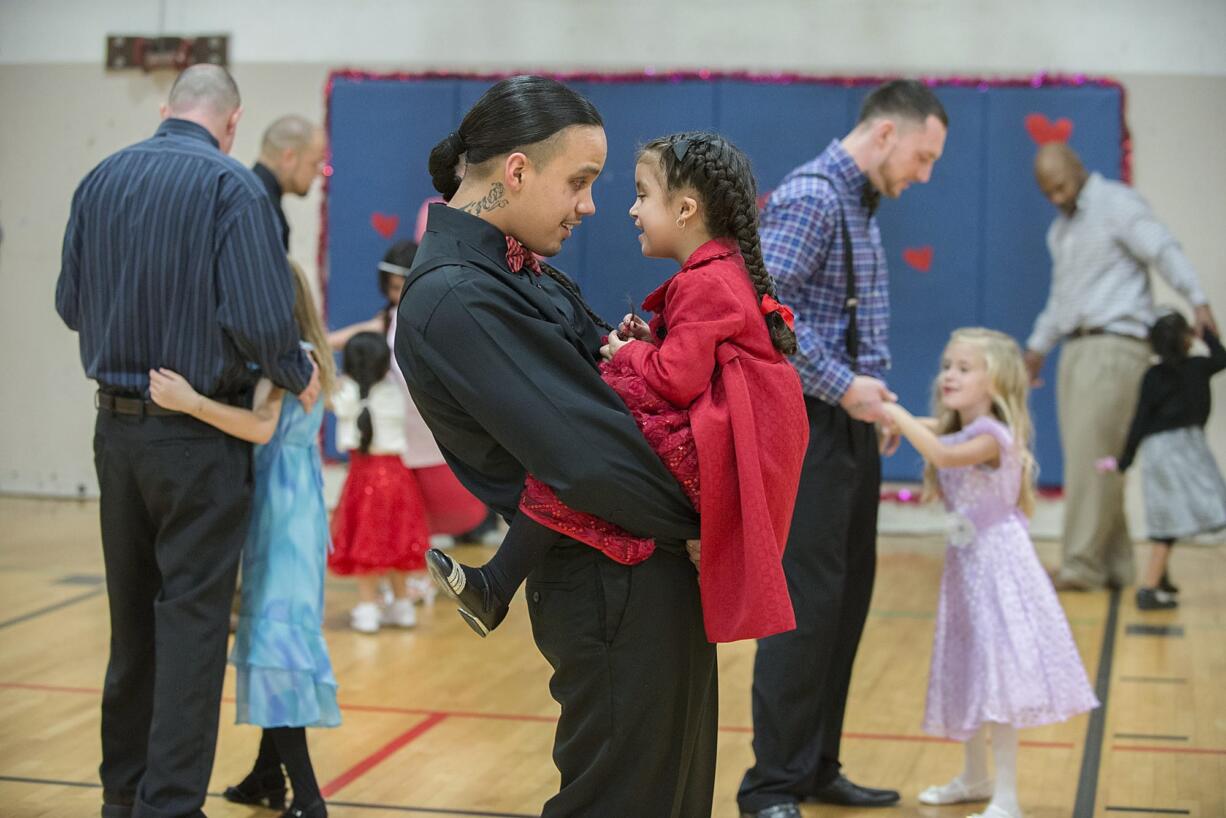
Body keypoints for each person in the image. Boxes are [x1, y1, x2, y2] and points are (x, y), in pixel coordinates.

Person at [395, 76, 715, 817]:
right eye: (580, 181)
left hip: (644, 566)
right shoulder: (456, 295)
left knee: (672, 792)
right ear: (515, 170)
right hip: (609, 581)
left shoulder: (512, 268)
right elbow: (591, 456)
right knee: (625, 799)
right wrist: (710, 516)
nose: (590, 204)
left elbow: (619, 395)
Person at [54, 64, 319, 818]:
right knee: (194, 629)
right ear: (233, 123)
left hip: (115, 434)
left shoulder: (99, 178)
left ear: (169, 108)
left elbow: (70, 304)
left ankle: (121, 798)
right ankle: (169, 806)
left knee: (132, 628)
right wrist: (295, 370)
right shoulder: (231, 187)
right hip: (199, 438)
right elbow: (263, 319)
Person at [426, 130, 807, 645]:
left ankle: (499, 582)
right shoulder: (721, 273)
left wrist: (633, 354)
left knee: (571, 454)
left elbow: (676, 379)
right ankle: (498, 584)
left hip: (711, 452)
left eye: (643, 196)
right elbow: (702, 359)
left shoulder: (705, 281)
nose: (630, 210)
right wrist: (650, 342)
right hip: (722, 446)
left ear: (686, 209)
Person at [738, 79, 948, 817]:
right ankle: (770, 787)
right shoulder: (814, 197)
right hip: (810, 429)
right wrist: (842, 385)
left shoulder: (857, 203)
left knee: (845, 603)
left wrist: (873, 392)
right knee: (806, 608)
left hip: (846, 426)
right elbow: (762, 312)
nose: (922, 176)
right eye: (921, 158)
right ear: (886, 135)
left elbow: (839, 318)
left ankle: (813, 765)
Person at [148, 261, 339, 818]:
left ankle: (308, 798)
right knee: (272, 636)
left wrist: (189, 402)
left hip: (282, 516)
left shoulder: (287, 361)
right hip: (294, 510)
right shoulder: (306, 352)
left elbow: (258, 427)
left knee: (275, 646)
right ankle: (265, 778)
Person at [882, 328, 1098, 818]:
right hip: (967, 568)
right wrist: (894, 421)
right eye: (947, 366)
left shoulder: (992, 436)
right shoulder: (960, 429)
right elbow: (934, 432)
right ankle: (975, 776)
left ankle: (1008, 797)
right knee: (970, 668)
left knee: (997, 674)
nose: (949, 375)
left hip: (1000, 568)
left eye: (964, 368)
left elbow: (941, 452)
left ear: (995, 382)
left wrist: (893, 415)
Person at [1024, 143, 1218, 591]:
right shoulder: (1062, 232)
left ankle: (1080, 565)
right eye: (1046, 191)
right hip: (1077, 348)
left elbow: (1162, 249)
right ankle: (1115, 566)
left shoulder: (1116, 203)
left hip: (1114, 347)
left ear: (1077, 168)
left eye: (1061, 185)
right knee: (1091, 456)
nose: (1056, 197)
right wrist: (1037, 348)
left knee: (1092, 459)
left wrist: (1198, 299)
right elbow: (1062, 299)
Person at [327, 239, 489, 574]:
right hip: (398, 435)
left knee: (451, 505)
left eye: (404, 286)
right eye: (393, 287)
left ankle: (417, 569)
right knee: (402, 511)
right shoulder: (387, 319)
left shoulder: (441, 316)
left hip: (432, 431)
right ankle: (409, 575)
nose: (397, 294)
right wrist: (319, 341)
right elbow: (360, 334)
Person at [1097, 312, 1226, 610]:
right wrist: (1206, 333)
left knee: (1168, 512)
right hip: (1184, 449)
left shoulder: (1154, 375)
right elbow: (1221, 358)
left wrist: (1125, 459)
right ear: (1186, 338)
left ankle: (1161, 578)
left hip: (1160, 450)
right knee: (1180, 517)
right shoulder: (1198, 366)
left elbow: (1139, 421)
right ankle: (1150, 587)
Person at [327, 331, 433, 632]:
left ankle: (368, 608)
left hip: (365, 477)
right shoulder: (395, 390)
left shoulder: (345, 393)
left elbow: (326, 397)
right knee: (395, 541)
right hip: (399, 477)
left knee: (366, 543)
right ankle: (402, 606)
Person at [253, 115, 326, 249]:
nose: (318, 173)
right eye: (314, 163)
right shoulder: (264, 210)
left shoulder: (252, 195)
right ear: (288, 157)